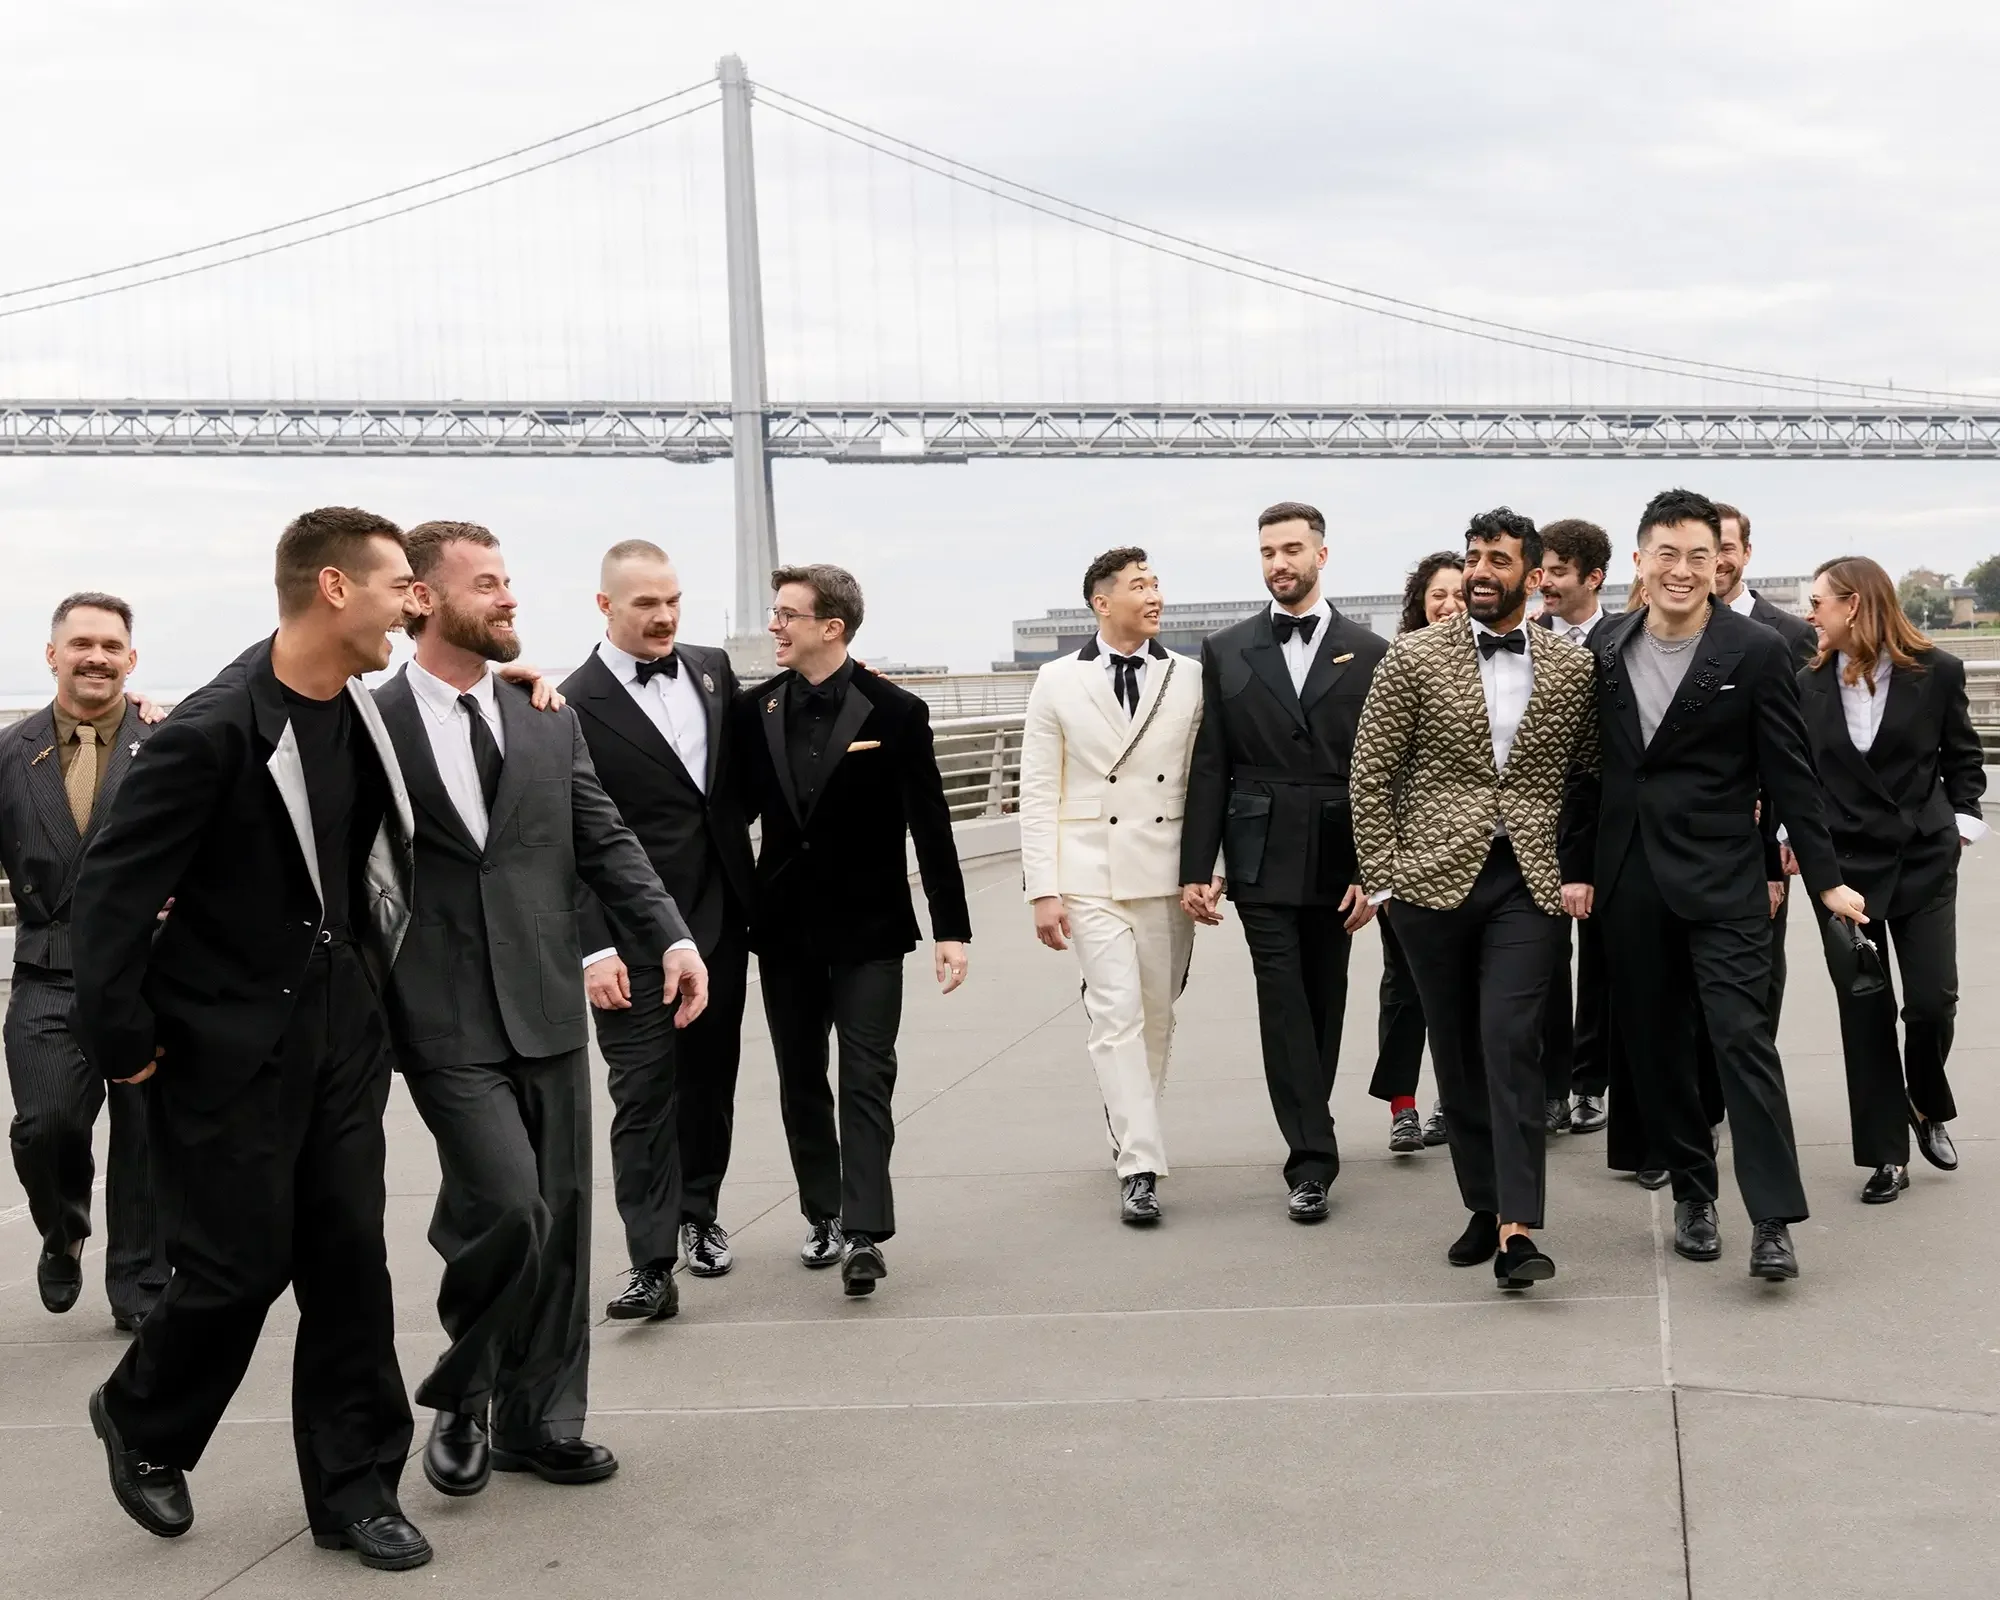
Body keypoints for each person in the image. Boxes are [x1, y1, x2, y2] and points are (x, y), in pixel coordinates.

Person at [70, 508, 432, 1569]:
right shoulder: (212, 730)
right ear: (332, 589)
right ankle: (141, 1419)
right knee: (234, 1271)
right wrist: (125, 1046)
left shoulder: (360, 709)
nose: (410, 601)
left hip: (340, 1036)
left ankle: (357, 1489)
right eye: (395, 585)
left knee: (348, 1266)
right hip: (227, 1051)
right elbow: (109, 903)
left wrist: (522, 682)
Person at [374, 521, 705, 1502]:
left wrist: (671, 937)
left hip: (547, 1001)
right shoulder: (370, 722)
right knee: (506, 1199)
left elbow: (603, 842)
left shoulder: (547, 719)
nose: (509, 597)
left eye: (510, 579)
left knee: (557, 1218)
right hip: (436, 1014)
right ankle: (464, 1392)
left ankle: (541, 1420)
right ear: (424, 600)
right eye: (486, 583)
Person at [1563, 488, 1867, 1282]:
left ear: (1719, 562)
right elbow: (1588, 777)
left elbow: (1792, 777)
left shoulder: (1757, 651)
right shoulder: (1606, 649)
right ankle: (1695, 1193)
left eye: (1701, 555)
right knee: (1659, 1053)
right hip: (1631, 884)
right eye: (1667, 553)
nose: (1685, 569)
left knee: (1741, 1041)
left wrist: (1825, 880)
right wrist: (1575, 869)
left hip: (1726, 880)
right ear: (1638, 562)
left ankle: (1772, 1218)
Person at [1352, 508, 1598, 1290]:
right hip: (1430, 883)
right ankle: (1484, 1203)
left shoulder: (1572, 669)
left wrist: (1578, 868)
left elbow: (1587, 776)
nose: (1481, 571)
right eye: (1472, 557)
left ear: (1533, 575)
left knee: (1510, 1040)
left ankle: (1519, 1228)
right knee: (1456, 1054)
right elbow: (1370, 774)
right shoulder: (1414, 657)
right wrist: (1385, 878)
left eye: (1498, 558)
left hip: (1528, 882)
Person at [732, 563, 971, 1294]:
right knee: (801, 1079)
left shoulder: (896, 711)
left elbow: (931, 827)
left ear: (830, 628)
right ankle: (823, 1213)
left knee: (867, 1077)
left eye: (786, 615)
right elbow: (726, 818)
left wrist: (951, 928)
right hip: (782, 932)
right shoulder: (754, 710)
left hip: (870, 929)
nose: (774, 625)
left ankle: (866, 1232)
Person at [562, 540, 756, 1308]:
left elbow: (756, 751)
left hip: (719, 920)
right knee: (643, 1095)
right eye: (646, 603)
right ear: (605, 606)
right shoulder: (570, 702)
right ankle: (649, 1263)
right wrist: (594, 945)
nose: (665, 616)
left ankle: (700, 1216)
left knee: (711, 1084)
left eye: (673, 600)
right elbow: (568, 839)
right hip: (630, 935)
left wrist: (847, 686)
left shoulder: (712, 669)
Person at [1179, 504, 1385, 1220]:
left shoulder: (1372, 648)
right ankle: (1311, 1158)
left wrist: (1378, 871)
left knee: (1325, 998)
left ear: (1322, 556)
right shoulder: (1227, 647)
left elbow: (1384, 770)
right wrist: (1197, 864)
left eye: (1292, 549)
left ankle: (1310, 1123)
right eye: (1267, 551)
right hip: (1258, 845)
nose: (1278, 563)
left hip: (1341, 847)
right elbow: (1211, 764)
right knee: (1282, 998)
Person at [1022, 546, 1206, 1224]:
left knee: (1156, 1017)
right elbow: (1038, 789)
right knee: (1116, 1014)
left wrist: (1206, 870)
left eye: (1157, 582)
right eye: (1138, 586)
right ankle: (1140, 1164)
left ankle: (1129, 1131)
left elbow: (1205, 780)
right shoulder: (1055, 680)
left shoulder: (1189, 676)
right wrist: (1042, 887)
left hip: (1164, 867)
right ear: (1102, 602)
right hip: (1087, 870)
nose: (1154, 595)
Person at [1, 593, 168, 1330]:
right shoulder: (9, 754)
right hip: (48, 966)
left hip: (151, 971)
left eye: (110, 645)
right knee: (46, 1126)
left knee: (146, 1136)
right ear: (52, 655)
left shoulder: (170, 740)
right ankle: (63, 1226)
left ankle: (141, 1290)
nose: (95, 657)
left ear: (130, 660)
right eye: (80, 644)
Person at [1797, 556, 1983, 1203]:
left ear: (1853, 605)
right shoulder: (1807, 683)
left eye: (1817, 600)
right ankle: (1886, 1155)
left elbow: (1964, 760)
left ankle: (1926, 1103)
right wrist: (1798, 843)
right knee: (1865, 1013)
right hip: (1845, 871)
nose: (1808, 612)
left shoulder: (1938, 673)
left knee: (1931, 1004)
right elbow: (1800, 779)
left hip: (1925, 859)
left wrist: (1961, 825)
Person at [1367, 552, 1465, 1152]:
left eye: (1459, 593)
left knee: (1464, 994)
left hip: (1480, 860)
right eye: (1438, 595)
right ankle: (1402, 1107)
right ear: (1419, 605)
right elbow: (1373, 774)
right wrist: (1378, 869)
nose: (1450, 604)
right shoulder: (1395, 667)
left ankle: (1454, 1103)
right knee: (1404, 986)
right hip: (1407, 861)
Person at [1532, 520, 1614, 1138]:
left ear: (1594, 578)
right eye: (1542, 570)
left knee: (1608, 962)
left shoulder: (1627, 638)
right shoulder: (1522, 639)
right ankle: (1555, 1085)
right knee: (1544, 962)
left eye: (1558, 572)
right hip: (1538, 823)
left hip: (1609, 823)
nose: (1545, 583)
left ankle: (1593, 1080)